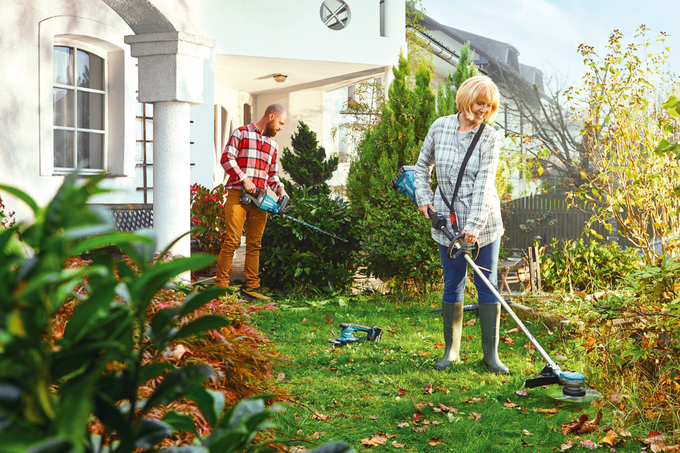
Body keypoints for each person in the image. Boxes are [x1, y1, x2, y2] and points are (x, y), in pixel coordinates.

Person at [413, 76, 508, 374]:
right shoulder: (439, 127)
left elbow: (484, 184)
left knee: (486, 286)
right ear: (466, 98)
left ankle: (491, 356)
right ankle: (450, 352)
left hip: (484, 224)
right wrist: (424, 199)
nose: (483, 110)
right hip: (447, 224)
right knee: (453, 283)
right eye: (480, 103)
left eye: (488, 105)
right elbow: (421, 166)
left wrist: (475, 226)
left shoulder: (490, 137)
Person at [215, 104, 289, 301]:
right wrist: (244, 179)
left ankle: (252, 288)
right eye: (280, 122)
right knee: (231, 241)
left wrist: (280, 189)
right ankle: (221, 286)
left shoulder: (273, 145)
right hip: (237, 194)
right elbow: (226, 158)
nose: (281, 127)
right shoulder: (241, 133)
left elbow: (272, 174)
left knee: (255, 244)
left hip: (260, 200)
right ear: (270, 116)